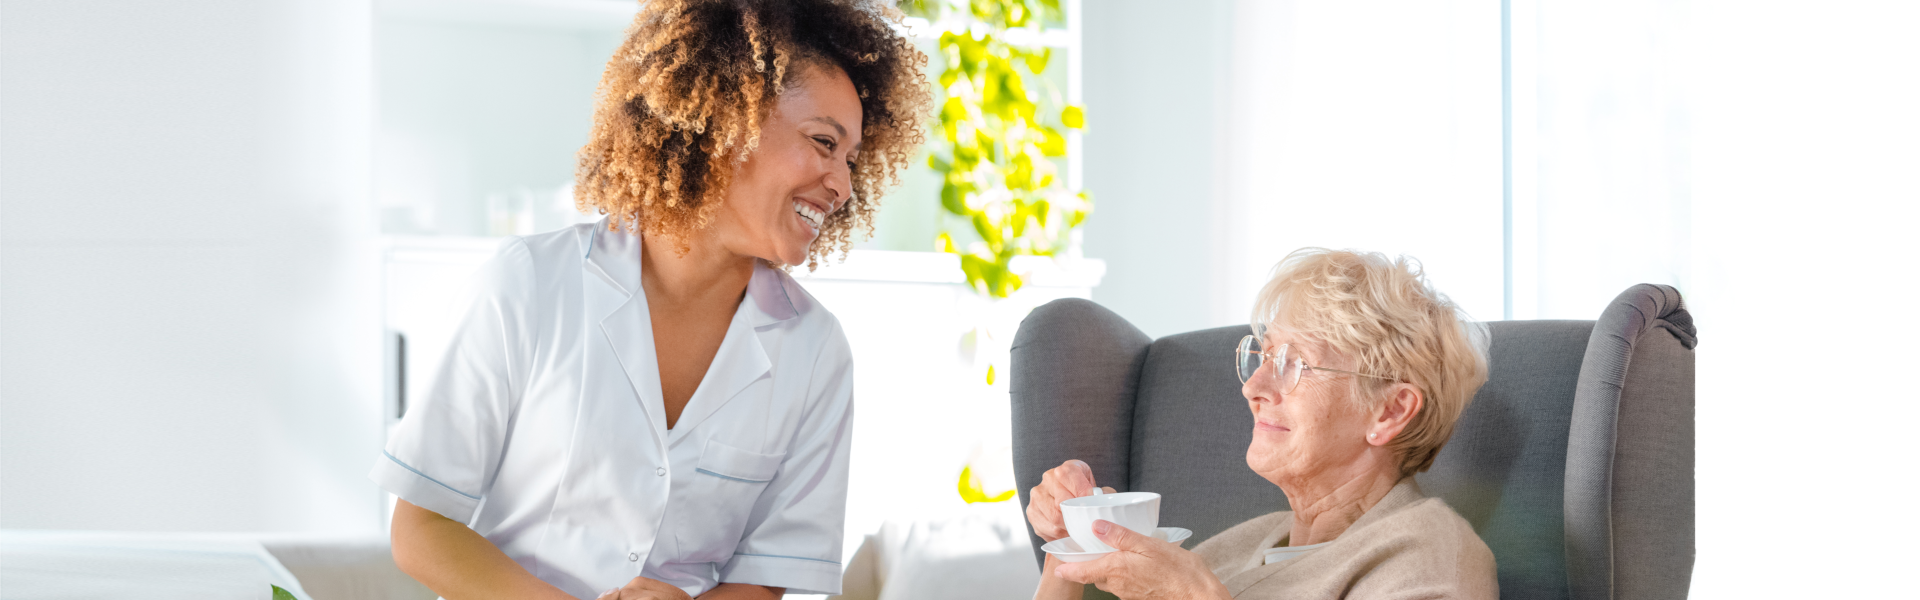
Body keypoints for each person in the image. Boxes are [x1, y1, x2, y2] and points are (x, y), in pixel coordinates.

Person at [368, 1, 930, 599]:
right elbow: (421, 526)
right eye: (823, 142)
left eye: (850, 161)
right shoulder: (531, 284)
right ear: (725, 118)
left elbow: (768, 578)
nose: (843, 185)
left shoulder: (815, 350)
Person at [1025, 248, 1498, 599]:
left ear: (1390, 411)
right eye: (1265, 356)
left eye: (1295, 363)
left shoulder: (1429, 559)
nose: (1253, 388)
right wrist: (1072, 545)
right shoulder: (1248, 541)